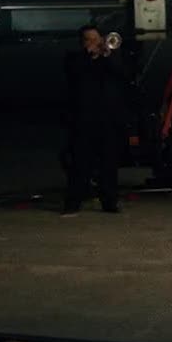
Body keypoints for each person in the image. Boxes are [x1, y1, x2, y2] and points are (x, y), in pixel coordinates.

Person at [61, 25, 130, 216]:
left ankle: (110, 202)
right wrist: (89, 56)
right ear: (82, 42)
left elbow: (122, 74)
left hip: (108, 119)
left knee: (109, 163)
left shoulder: (111, 57)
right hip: (84, 119)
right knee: (80, 162)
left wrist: (105, 55)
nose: (95, 42)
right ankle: (73, 202)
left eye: (96, 39)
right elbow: (74, 75)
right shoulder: (74, 59)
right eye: (89, 39)